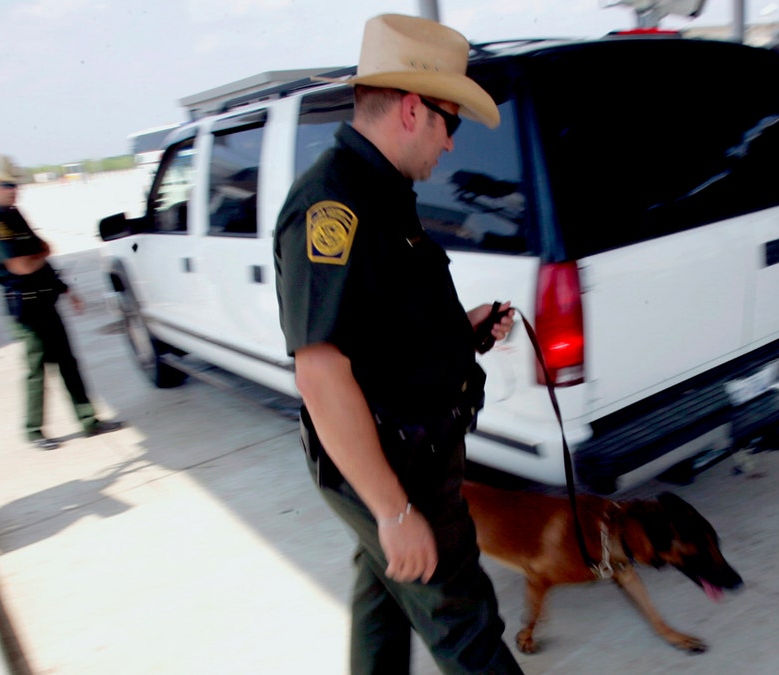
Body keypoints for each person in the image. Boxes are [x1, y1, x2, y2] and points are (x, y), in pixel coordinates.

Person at [274, 14, 523, 675]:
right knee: (468, 630)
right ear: (415, 110)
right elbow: (322, 372)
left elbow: (382, 330)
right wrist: (393, 508)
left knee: (383, 603)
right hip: (392, 465)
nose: (450, 147)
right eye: (452, 124)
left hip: (413, 450)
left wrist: (459, 331)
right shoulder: (333, 206)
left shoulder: (386, 192)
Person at [0, 153, 123, 451]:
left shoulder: (15, 215)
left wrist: (64, 287)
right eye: (6, 185)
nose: (13, 189)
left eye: (15, 184)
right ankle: (34, 431)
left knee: (68, 363)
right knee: (36, 370)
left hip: (45, 301)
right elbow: (22, 266)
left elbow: (39, 258)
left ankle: (88, 421)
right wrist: (41, 252)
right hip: (26, 310)